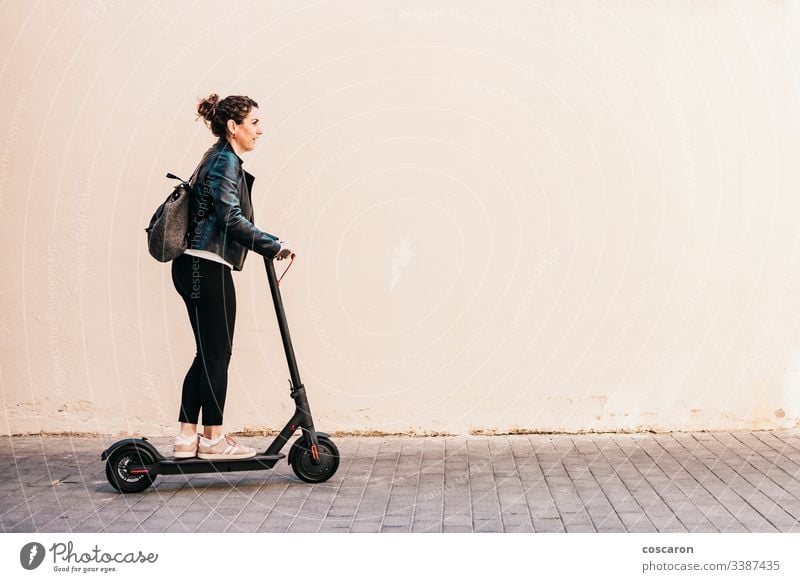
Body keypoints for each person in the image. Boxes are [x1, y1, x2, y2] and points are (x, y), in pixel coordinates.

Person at [170, 93, 294, 460]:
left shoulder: (218, 158)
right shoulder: (224, 162)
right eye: (254, 123)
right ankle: (214, 440)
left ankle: (189, 437)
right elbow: (230, 217)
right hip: (205, 266)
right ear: (232, 127)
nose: (260, 130)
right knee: (217, 354)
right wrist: (272, 244)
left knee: (208, 354)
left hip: (196, 266)